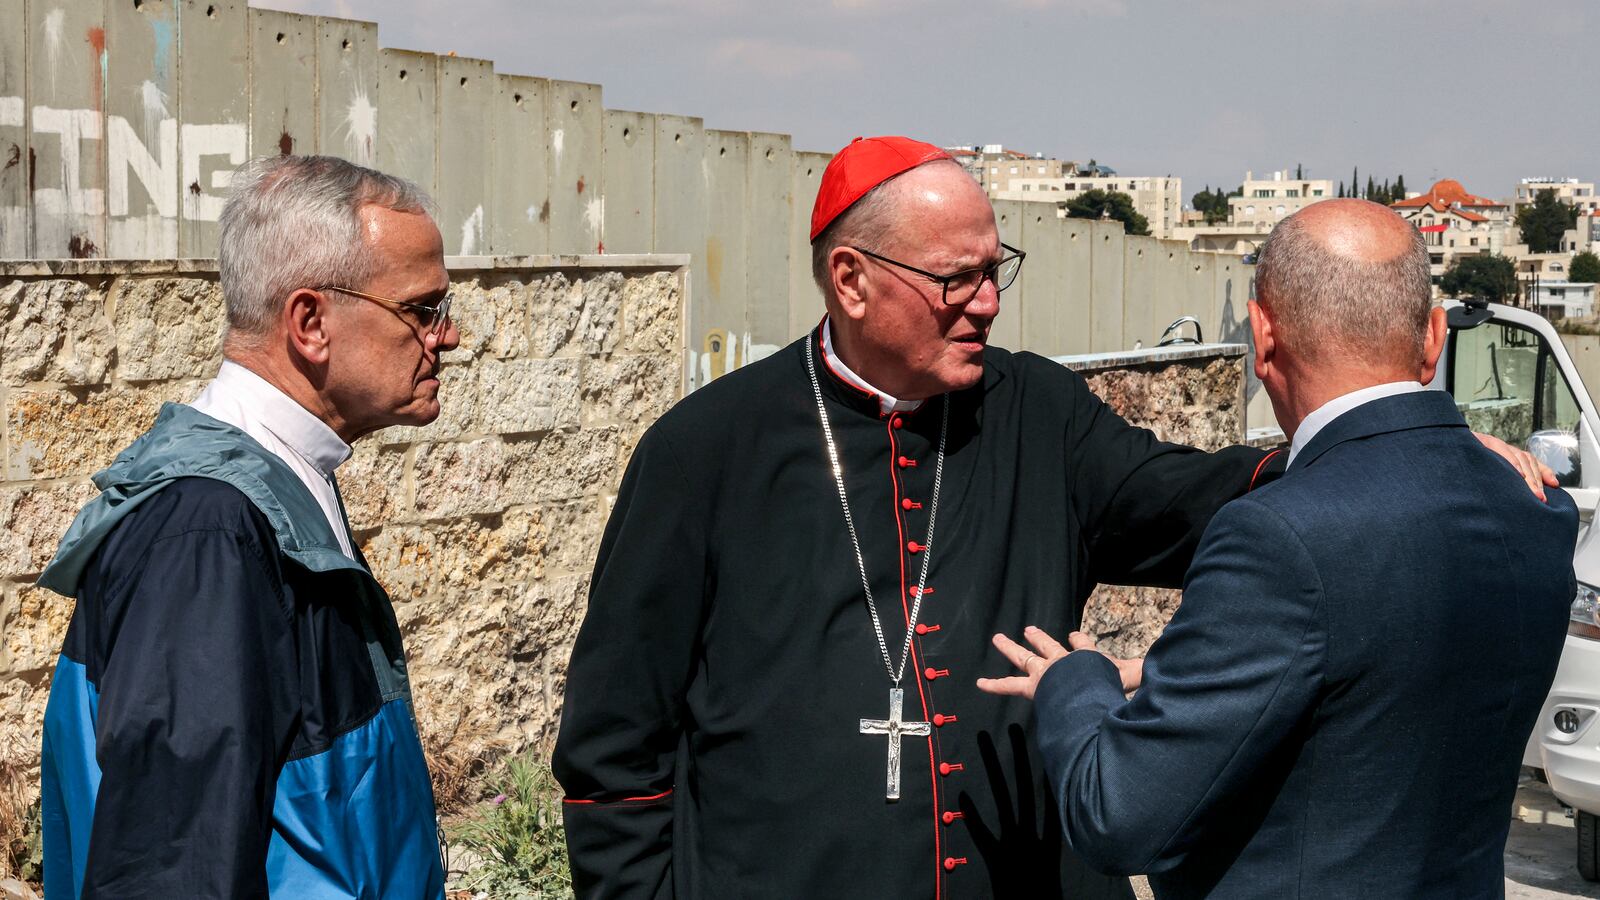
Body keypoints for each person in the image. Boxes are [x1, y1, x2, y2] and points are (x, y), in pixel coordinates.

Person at [554, 137, 1549, 898]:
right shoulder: (702, 450)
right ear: (851, 280)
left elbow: (1186, 497)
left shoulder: (1031, 409)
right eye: (955, 279)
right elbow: (614, 749)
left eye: (997, 269)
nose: (987, 304)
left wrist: (1402, 459)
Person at [981, 198, 1578, 898]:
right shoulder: (1539, 507)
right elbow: (1379, 664)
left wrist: (1073, 682)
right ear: (1435, 337)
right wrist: (1171, 668)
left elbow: (1117, 814)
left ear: (1262, 336)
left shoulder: (1274, 535)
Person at [37, 155, 458, 898]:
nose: (446, 336)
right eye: (421, 310)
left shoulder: (278, 484)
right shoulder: (204, 532)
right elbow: (170, 869)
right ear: (310, 322)